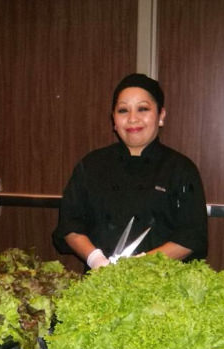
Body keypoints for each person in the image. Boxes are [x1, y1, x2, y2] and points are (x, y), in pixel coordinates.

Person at [52, 73, 208, 270]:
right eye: (123, 110)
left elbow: (192, 236)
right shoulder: (91, 165)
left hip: (163, 283)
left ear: (161, 116)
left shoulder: (181, 169)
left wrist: (144, 264)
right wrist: (95, 259)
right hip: (101, 283)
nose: (133, 119)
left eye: (143, 108)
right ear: (114, 120)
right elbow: (70, 226)